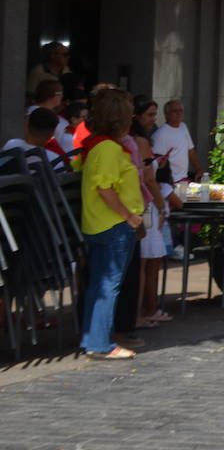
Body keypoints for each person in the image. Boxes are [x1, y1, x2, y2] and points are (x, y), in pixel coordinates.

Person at [75, 88, 143, 360]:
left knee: (99, 285)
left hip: (100, 224)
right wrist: (130, 216)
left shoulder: (96, 146)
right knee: (108, 286)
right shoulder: (108, 149)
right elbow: (105, 188)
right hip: (113, 226)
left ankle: (95, 338)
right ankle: (100, 343)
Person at [130, 97, 170, 329]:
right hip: (146, 205)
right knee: (146, 263)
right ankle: (141, 312)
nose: (154, 120)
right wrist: (161, 205)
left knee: (146, 262)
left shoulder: (134, 140)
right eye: (150, 115)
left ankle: (144, 310)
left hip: (141, 203)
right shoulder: (140, 141)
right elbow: (148, 179)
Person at [151, 99, 202, 183]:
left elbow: (191, 151)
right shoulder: (160, 135)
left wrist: (198, 169)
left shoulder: (183, 127)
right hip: (170, 182)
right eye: (174, 111)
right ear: (166, 114)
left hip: (184, 179)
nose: (179, 113)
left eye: (181, 110)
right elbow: (155, 163)